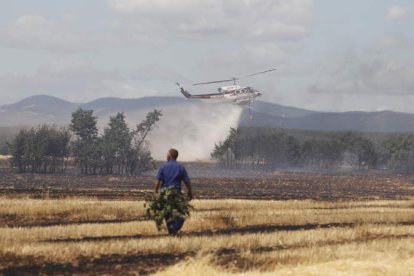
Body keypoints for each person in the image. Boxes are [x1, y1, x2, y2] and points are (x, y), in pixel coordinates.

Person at [155, 148, 193, 235]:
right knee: (182, 212)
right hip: (176, 193)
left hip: (165, 194)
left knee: (167, 212)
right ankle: (174, 228)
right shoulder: (180, 167)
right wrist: (190, 192)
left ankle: (172, 229)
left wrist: (156, 193)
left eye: (167, 154)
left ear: (169, 155)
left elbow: (157, 183)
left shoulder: (163, 167)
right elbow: (187, 181)